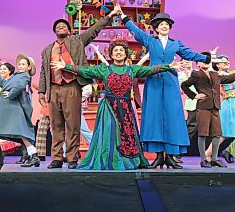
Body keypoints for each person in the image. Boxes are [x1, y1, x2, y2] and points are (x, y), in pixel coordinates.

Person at [51, 39, 181, 170]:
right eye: (115, 51)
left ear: (125, 54)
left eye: (121, 50)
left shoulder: (132, 69)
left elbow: (150, 70)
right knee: (109, 134)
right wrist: (66, 66)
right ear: (111, 55)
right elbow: (85, 71)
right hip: (109, 107)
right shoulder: (104, 69)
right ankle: (109, 160)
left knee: (126, 136)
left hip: (125, 108)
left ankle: (126, 161)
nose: (118, 53)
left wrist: (168, 66)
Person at [120, 11, 211, 169]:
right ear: (156, 27)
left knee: (172, 117)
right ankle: (157, 157)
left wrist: (205, 58)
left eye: (167, 25)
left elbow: (188, 53)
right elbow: (137, 32)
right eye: (161, 24)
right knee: (154, 117)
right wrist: (124, 18)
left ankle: (170, 156)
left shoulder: (175, 43)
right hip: (154, 82)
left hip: (169, 83)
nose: (164, 26)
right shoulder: (150, 41)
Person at [38, 6, 120, 169]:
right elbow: (43, 71)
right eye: (58, 26)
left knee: (73, 124)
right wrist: (41, 91)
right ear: (54, 31)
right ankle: (57, 158)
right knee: (56, 125)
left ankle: (72, 157)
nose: (60, 27)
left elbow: (94, 29)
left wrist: (109, 16)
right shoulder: (47, 50)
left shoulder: (77, 41)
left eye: (64, 26)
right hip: (54, 88)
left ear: (69, 31)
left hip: (72, 87)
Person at [181, 50, 235, 168]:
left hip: (215, 107)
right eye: (202, 60)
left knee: (216, 134)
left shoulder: (215, 75)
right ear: (198, 64)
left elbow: (230, 78)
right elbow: (184, 85)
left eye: (207, 60)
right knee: (203, 134)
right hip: (203, 107)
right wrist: (194, 95)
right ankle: (203, 159)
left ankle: (214, 158)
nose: (205, 62)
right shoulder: (196, 74)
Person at [0, 54, 40, 167]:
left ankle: (34, 155)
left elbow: (20, 87)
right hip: (5, 108)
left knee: (21, 132)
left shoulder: (24, 76)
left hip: (13, 107)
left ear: (29, 67)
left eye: (23, 64)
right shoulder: (16, 75)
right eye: (19, 64)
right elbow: (5, 84)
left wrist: (10, 94)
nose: (20, 66)